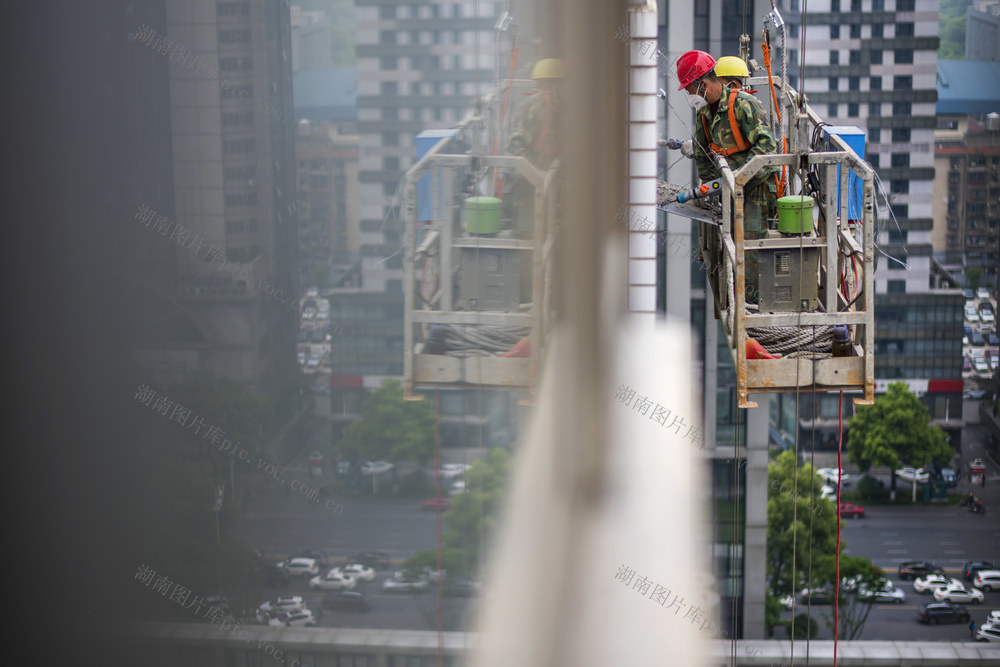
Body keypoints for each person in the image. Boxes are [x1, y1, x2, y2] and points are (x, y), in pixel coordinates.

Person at [676, 50, 778, 305]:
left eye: (690, 90)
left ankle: (756, 306)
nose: (690, 96)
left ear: (704, 83)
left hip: (756, 191)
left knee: (751, 248)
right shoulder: (704, 113)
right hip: (729, 190)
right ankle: (743, 299)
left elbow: (766, 150)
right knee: (733, 245)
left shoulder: (744, 105)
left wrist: (738, 179)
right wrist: (709, 187)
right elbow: (703, 153)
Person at [506, 57, 564, 238]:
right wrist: (537, 172)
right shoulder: (534, 106)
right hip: (528, 182)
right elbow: (514, 145)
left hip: (551, 176)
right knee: (529, 232)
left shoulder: (563, 106)